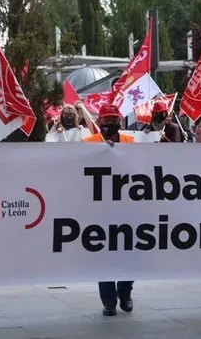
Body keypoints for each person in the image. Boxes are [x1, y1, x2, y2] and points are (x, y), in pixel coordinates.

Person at [82, 104, 135, 315]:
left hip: (126, 208)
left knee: (129, 254)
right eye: (106, 120)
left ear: (120, 122)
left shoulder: (131, 142)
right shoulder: (87, 143)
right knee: (103, 257)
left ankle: (126, 292)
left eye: (113, 120)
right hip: (99, 210)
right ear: (99, 122)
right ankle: (109, 302)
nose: (109, 124)